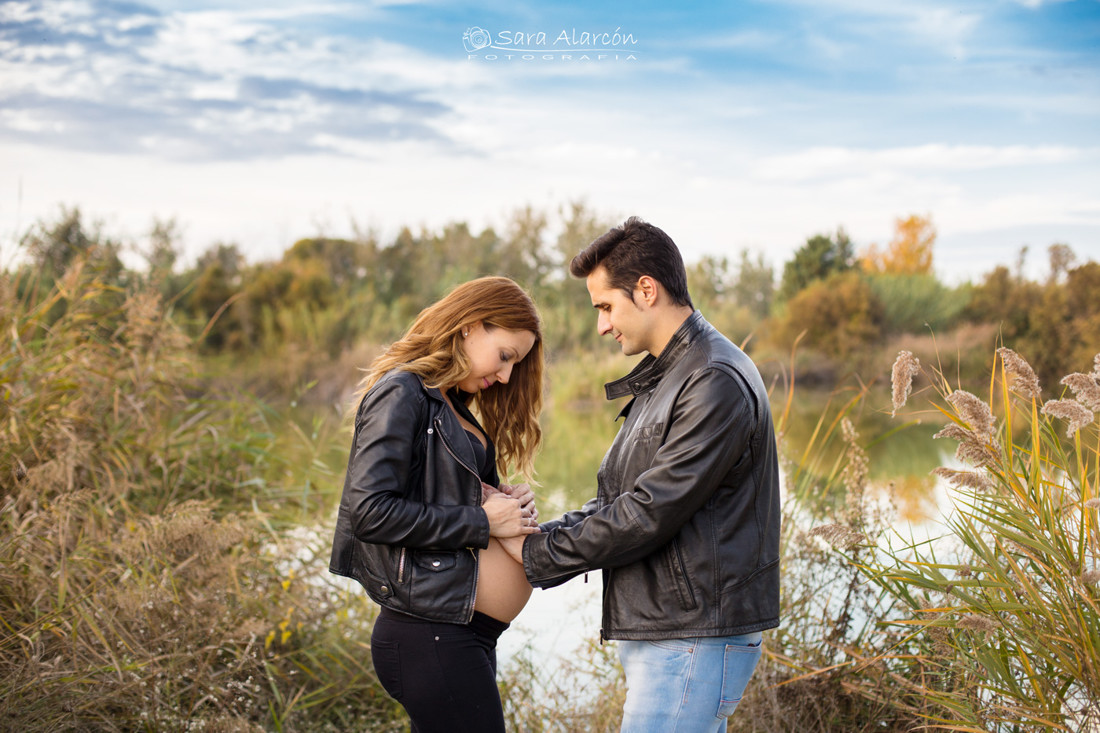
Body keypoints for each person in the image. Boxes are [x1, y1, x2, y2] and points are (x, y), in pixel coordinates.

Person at [501, 217, 781, 732]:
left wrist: (536, 555)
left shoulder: (712, 379)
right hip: (673, 634)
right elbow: (620, 500)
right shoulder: (669, 376)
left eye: (606, 306)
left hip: (692, 637)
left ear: (646, 290)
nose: (602, 326)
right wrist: (540, 532)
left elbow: (650, 512)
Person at [329, 276, 544, 733]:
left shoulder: (453, 405)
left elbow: (448, 500)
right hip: (428, 633)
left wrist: (503, 502)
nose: (506, 375)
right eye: (505, 356)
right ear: (470, 326)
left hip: (461, 632)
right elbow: (369, 511)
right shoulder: (403, 392)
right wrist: (481, 521)